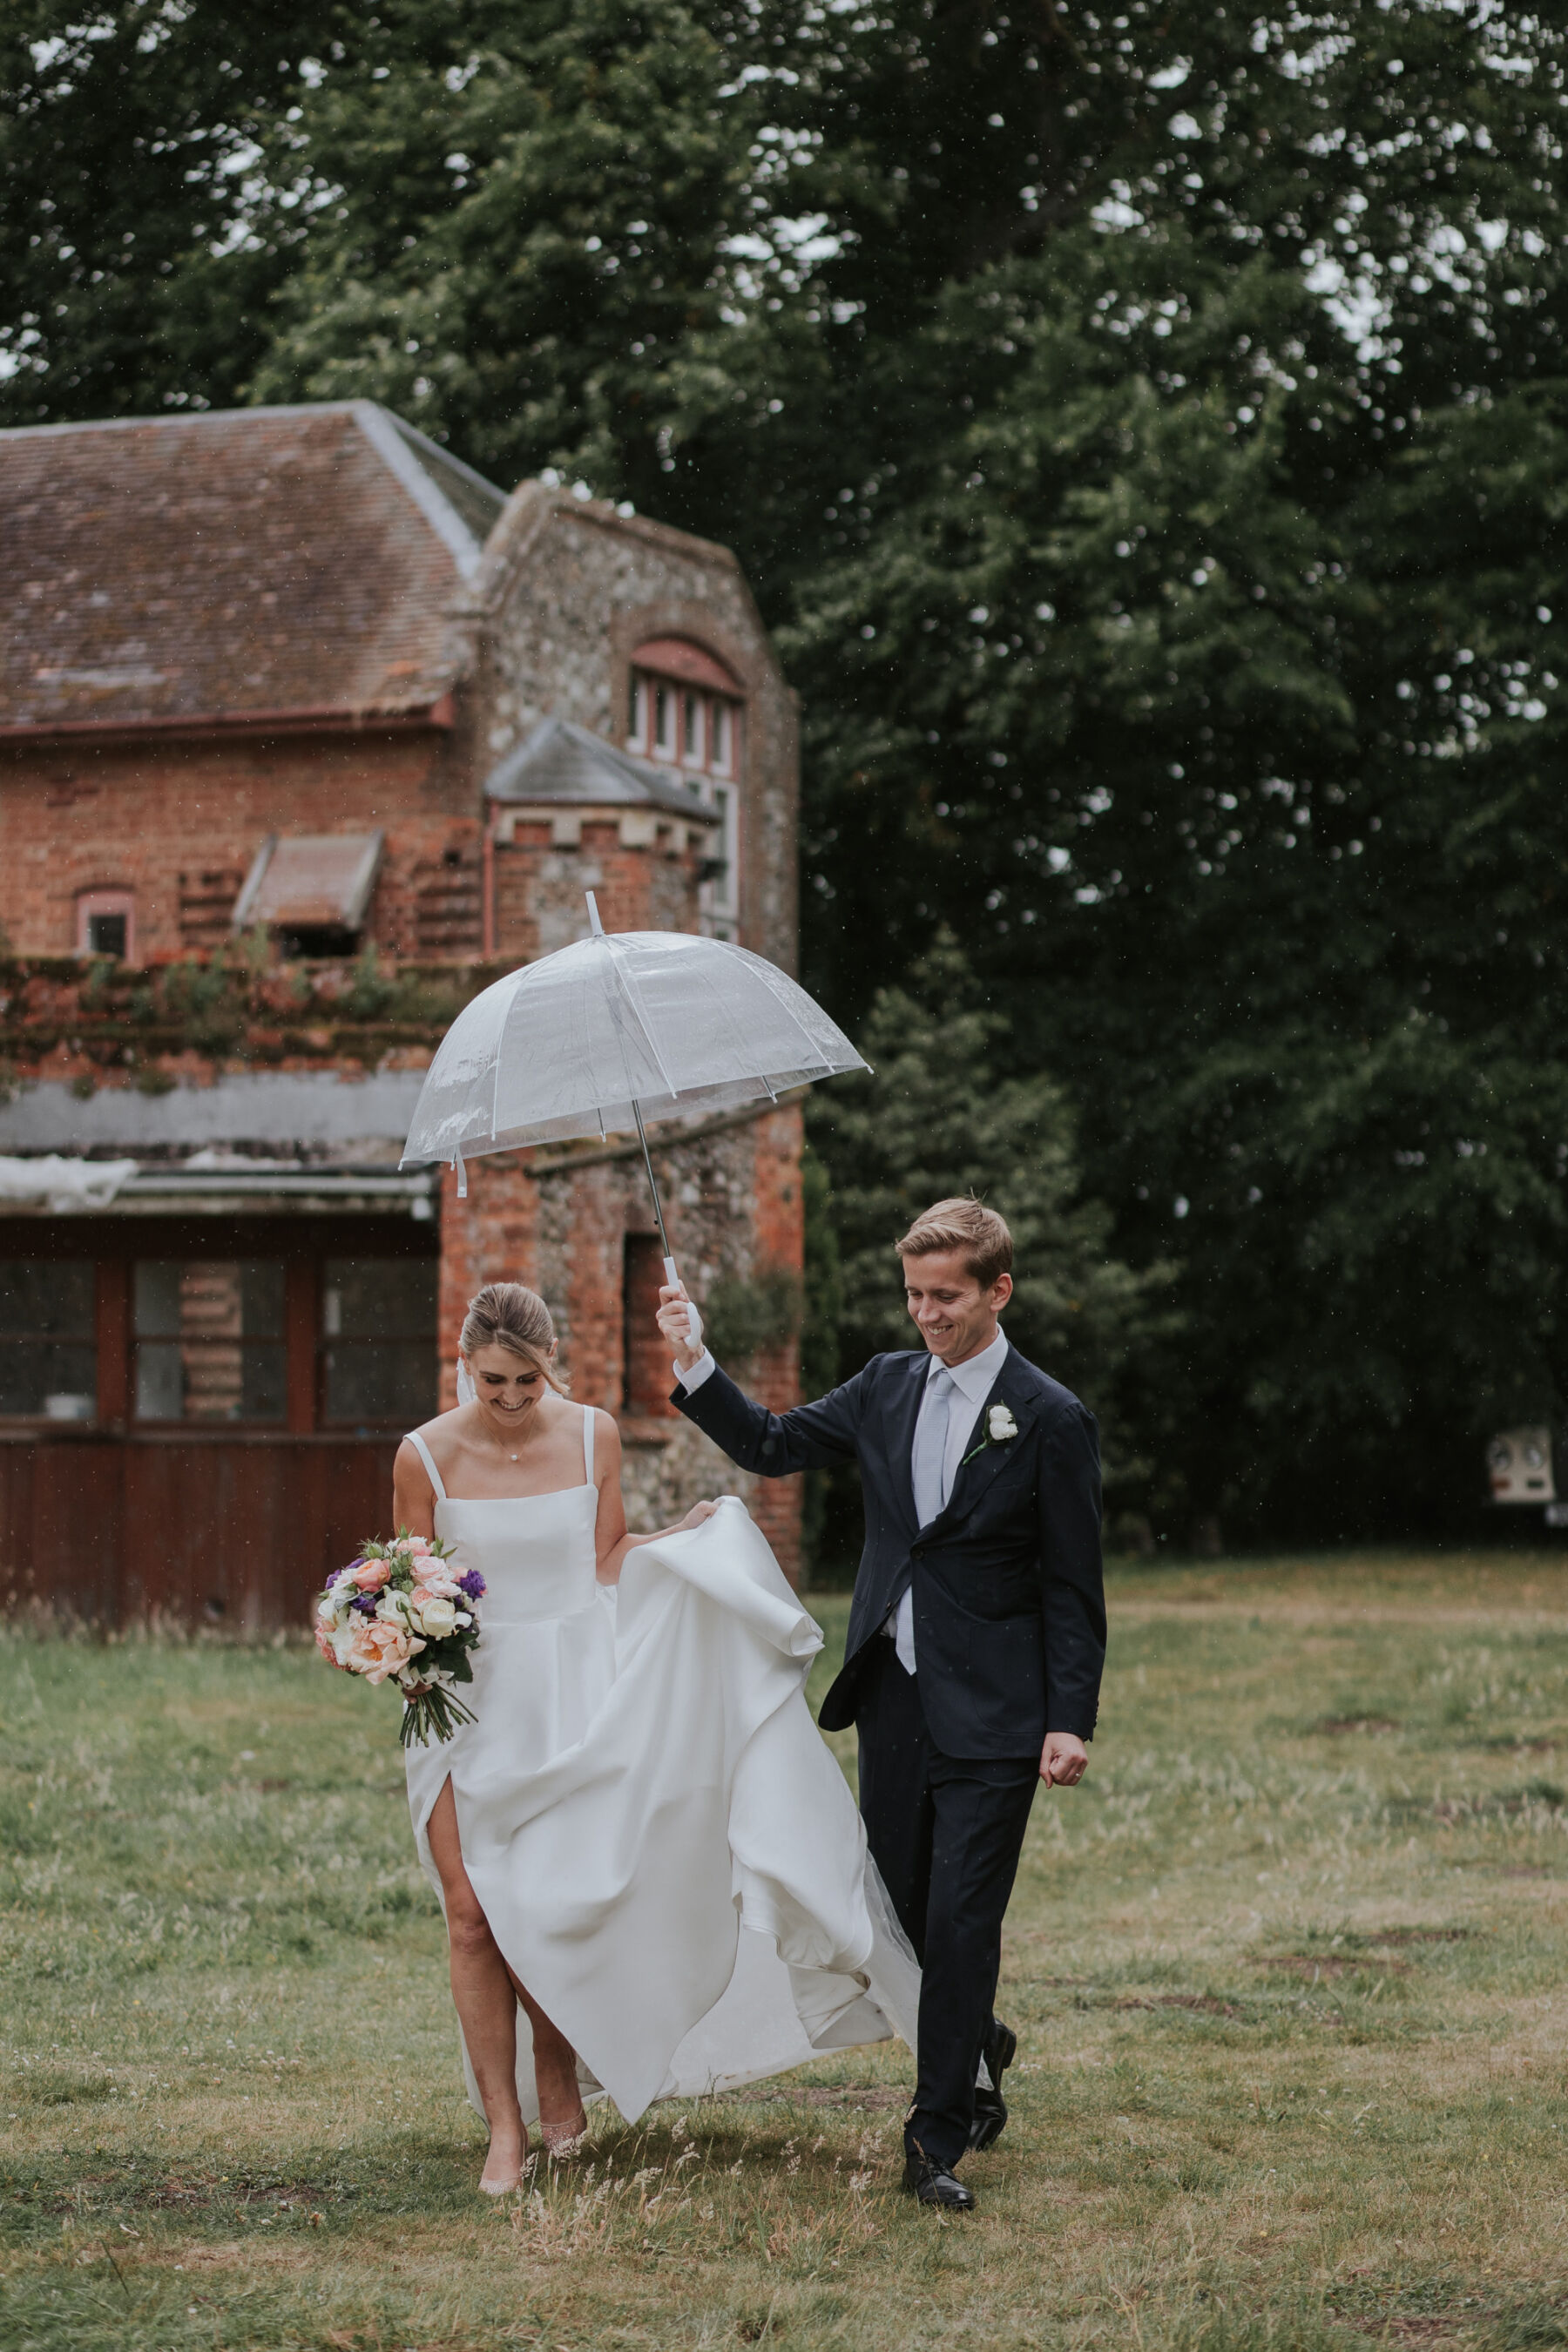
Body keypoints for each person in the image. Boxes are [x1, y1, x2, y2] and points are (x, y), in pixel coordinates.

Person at [394, 1281, 918, 2196]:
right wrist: (387, 1642)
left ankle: (559, 2072)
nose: (512, 1401)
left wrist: (678, 1540)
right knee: (474, 1917)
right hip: (467, 1701)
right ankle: (506, 2128)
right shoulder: (423, 1456)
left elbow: (602, 1561)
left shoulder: (593, 1433)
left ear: (551, 1363)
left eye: (526, 1381)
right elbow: (408, 1583)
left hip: (570, 1694)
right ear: (463, 1366)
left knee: (549, 1905)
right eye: (492, 1383)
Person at [658, 1197, 1105, 2213]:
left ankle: (934, 2135)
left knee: (959, 1923)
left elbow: (1074, 1588)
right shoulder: (885, 1386)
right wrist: (696, 1360)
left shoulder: (1049, 1418)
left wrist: (1067, 1717)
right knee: (893, 1919)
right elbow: (770, 1444)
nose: (926, 1315)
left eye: (946, 1296)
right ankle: (978, 2038)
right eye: (913, 1295)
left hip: (997, 1714)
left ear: (998, 1289)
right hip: (894, 1701)